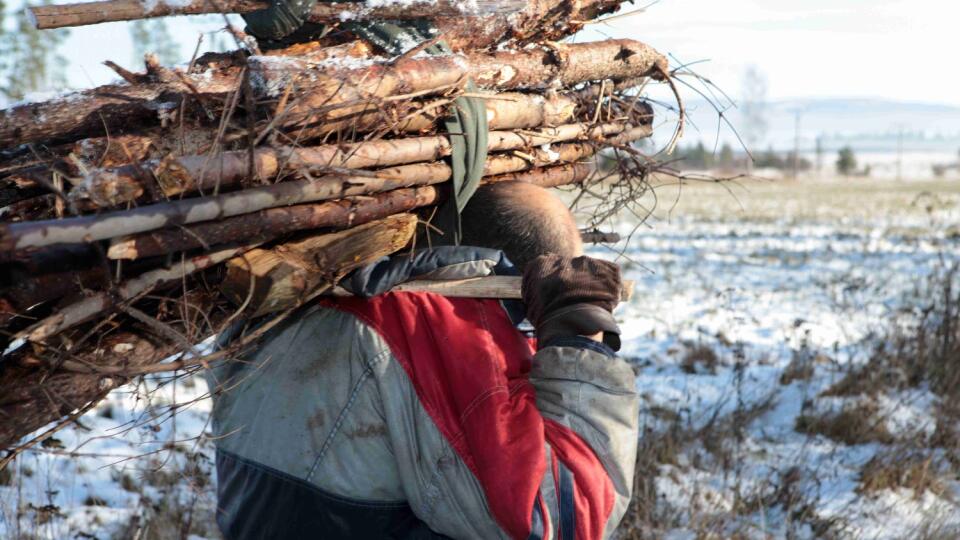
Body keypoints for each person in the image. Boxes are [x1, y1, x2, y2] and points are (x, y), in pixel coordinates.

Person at [205, 181, 640, 539]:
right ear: (520, 284)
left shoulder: (273, 308)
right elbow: (565, 520)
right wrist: (579, 337)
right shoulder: (433, 328)